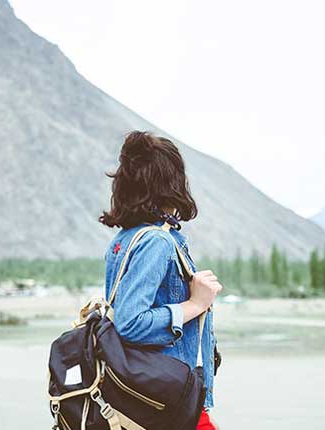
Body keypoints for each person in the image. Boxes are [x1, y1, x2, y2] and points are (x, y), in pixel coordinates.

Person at [99, 131, 222, 429]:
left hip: (145, 396)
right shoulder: (157, 242)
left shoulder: (124, 240)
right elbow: (130, 323)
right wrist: (195, 304)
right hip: (166, 396)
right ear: (172, 183)